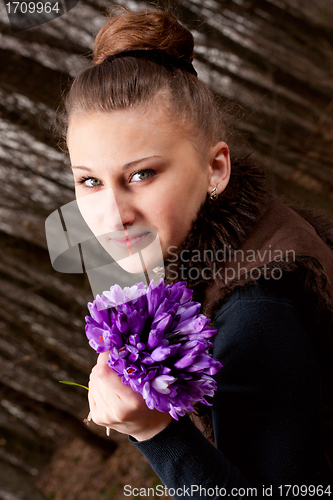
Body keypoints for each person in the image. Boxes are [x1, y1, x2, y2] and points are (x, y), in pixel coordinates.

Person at [55, 7, 333, 498]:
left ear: (215, 169)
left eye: (141, 174)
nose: (111, 213)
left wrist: (154, 432)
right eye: (90, 181)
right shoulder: (246, 244)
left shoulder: (255, 311)